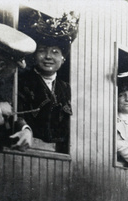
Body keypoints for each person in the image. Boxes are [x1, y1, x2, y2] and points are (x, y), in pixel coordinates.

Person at [17, 11, 79, 153]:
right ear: (34, 55)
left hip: (57, 153)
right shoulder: (23, 81)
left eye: (55, 52)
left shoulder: (66, 88)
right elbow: (17, 114)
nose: (48, 56)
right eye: (42, 50)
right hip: (28, 150)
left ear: (63, 58)